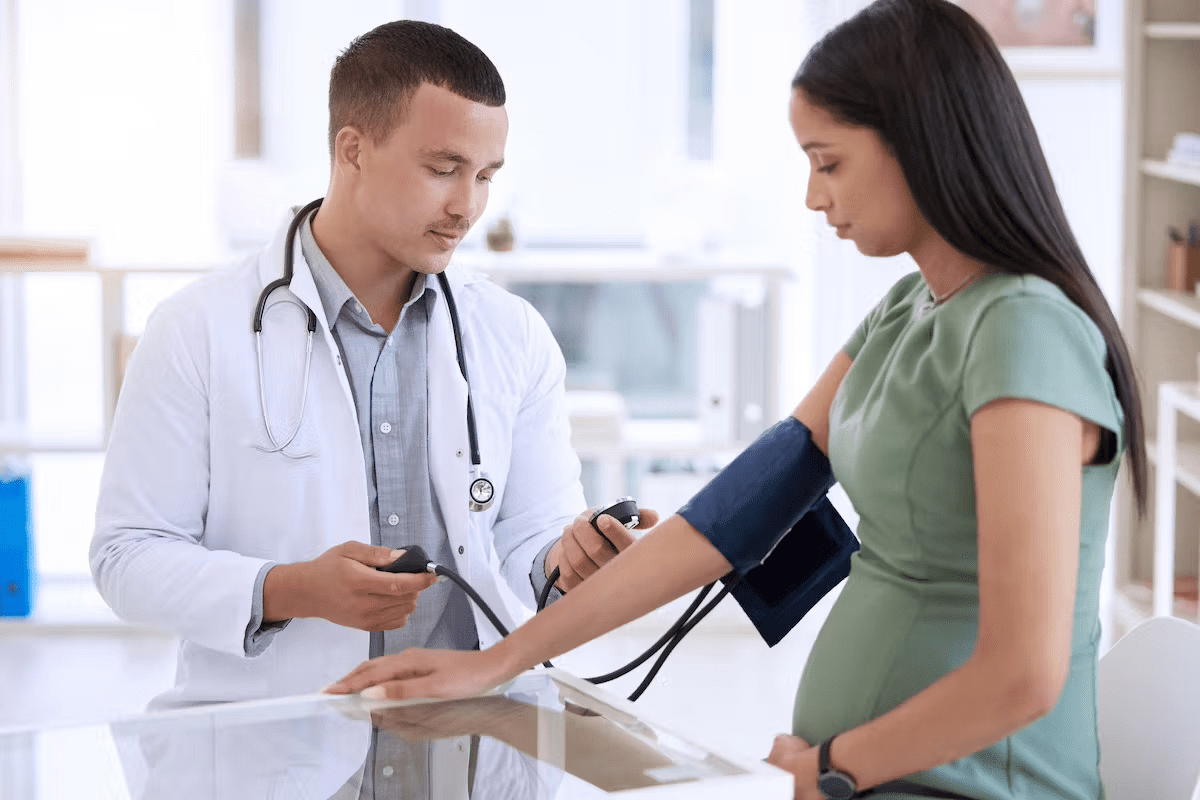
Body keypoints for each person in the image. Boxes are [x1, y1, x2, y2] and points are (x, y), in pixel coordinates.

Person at [325, 2, 1148, 799]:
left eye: (829, 162)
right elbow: (729, 519)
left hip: (967, 784)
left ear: (920, 143)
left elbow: (1022, 676)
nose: (813, 196)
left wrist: (831, 769)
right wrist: (496, 661)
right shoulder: (907, 312)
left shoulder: (1024, 332)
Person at [89, 19, 653, 799]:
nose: (466, 205)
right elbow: (127, 555)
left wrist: (569, 557)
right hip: (274, 761)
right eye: (442, 168)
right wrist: (291, 588)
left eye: (486, 175)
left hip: (466, 759)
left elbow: (530, 537)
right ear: (352, 149)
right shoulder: (197, 329)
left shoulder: (511, 335)